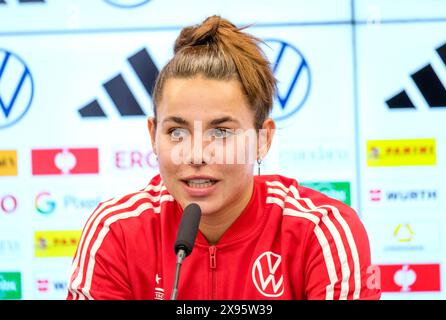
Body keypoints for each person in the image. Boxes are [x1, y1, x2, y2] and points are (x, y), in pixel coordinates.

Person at [67, 15, 381, 300]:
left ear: (262, 139)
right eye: (177, 131)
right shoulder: (116, 231)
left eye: (221, 133)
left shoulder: (321, 231)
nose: (196, 154)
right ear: (153, 136)